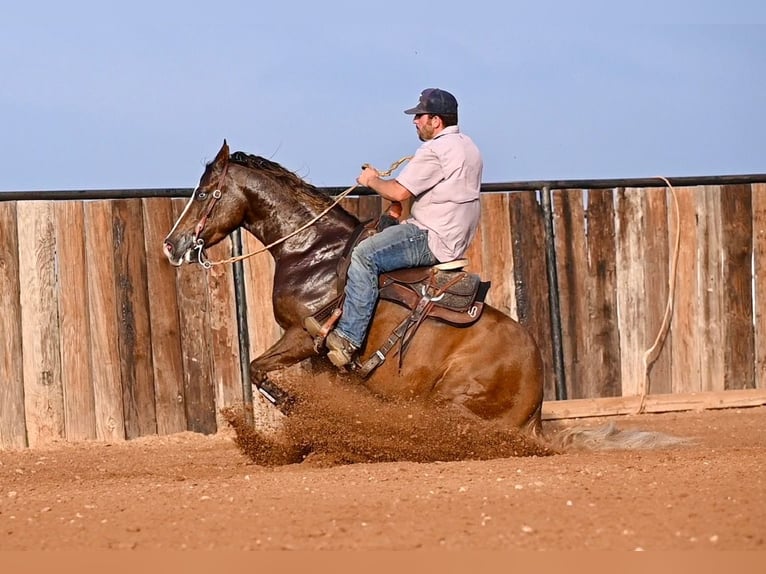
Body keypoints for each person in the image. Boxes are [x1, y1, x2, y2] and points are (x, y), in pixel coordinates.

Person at [307, 88, 484, 368]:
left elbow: (398, 191)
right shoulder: (468, 147)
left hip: (430, 235)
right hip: (453, 236)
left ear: (436, 120)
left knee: (364, 254)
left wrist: (371, 180)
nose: (415, 121)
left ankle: (349, 338)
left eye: (419, 116)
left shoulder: (435, 150)